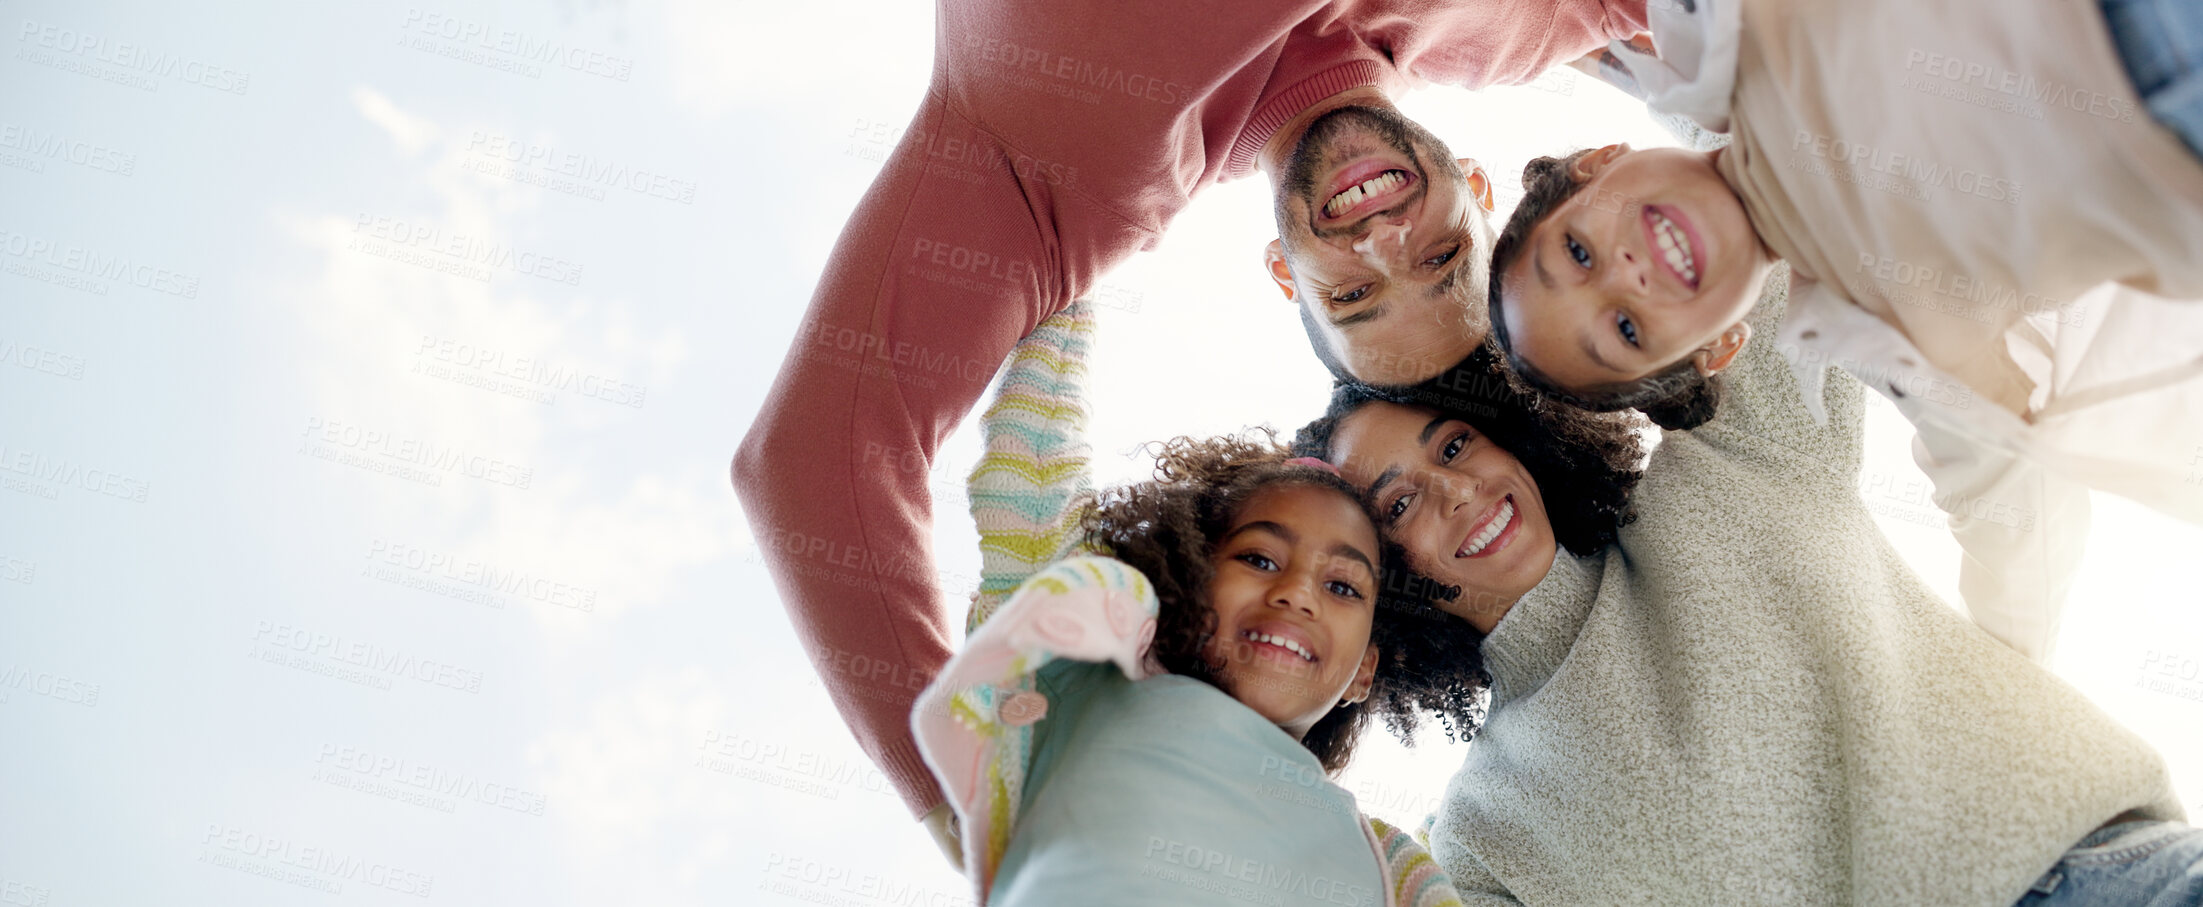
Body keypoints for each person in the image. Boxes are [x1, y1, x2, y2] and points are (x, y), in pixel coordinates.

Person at [733, 0, 1651, 847]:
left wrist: (976, 802)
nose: (1381, 238)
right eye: (1442, 256)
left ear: (1285, 276)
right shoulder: (1522, 22)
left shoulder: (1055, 175)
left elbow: (813, 462)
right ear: (1479, 192)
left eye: (1356, 294)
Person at [1298, 274, 2201, 904]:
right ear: (1383, 583)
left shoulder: (1723, 465)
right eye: (1402, 502)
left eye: (1453, 444)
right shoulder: (1483, 835)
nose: (1456, 487)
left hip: (2098, 873)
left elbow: (1757, 235)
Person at [1477, 0, 2203, 655]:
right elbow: (2013, 516)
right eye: (1627, 330)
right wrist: (2009, 665)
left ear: (1600, 161)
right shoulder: (1896, 334)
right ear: (1719, 346)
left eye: (1576, 252)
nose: (1624, 276)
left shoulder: (1720, 39)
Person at [913, 306, 1480, 905]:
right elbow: (1031, 466)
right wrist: (1068, 271)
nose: (1296, 594)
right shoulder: (1088, 674)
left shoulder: (1392, 864)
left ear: (1364, 669)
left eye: (1342, 587)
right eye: (1259, 559)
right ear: (1189, 577)